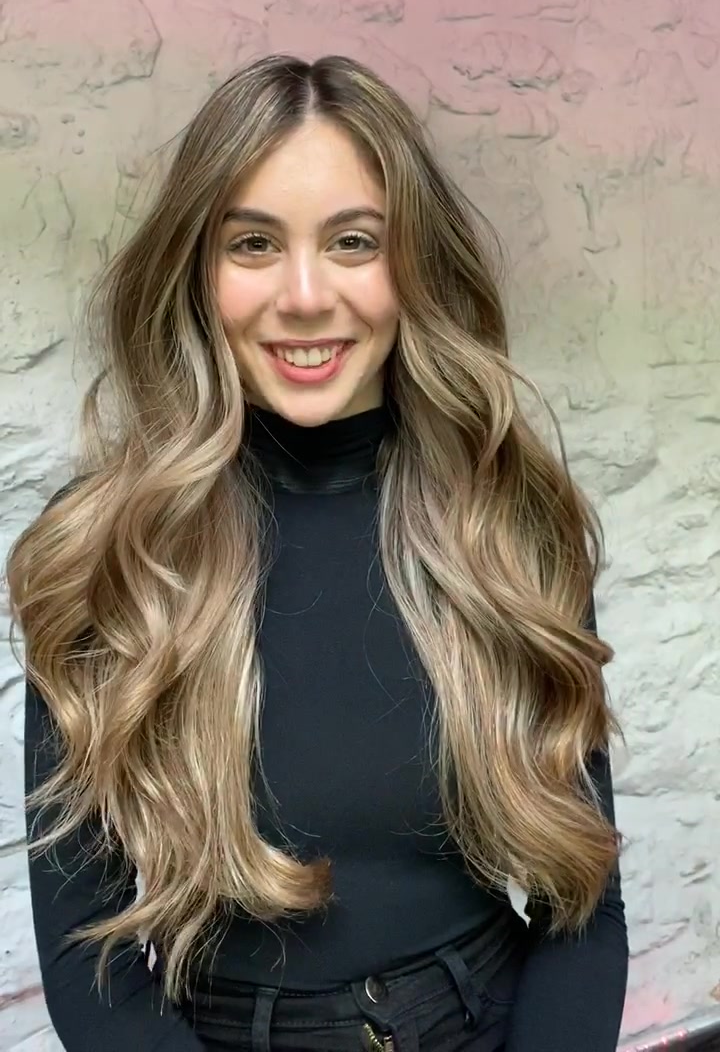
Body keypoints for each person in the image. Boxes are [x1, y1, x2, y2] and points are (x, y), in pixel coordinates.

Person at [7, 54, 629, 1052]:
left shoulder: (507, 522)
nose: (304, 295)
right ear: (197, 270)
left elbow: (584, 901)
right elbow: (92, 965)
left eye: (353, 241)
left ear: (413, 262)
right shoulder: (108, 557)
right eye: (253, 242)